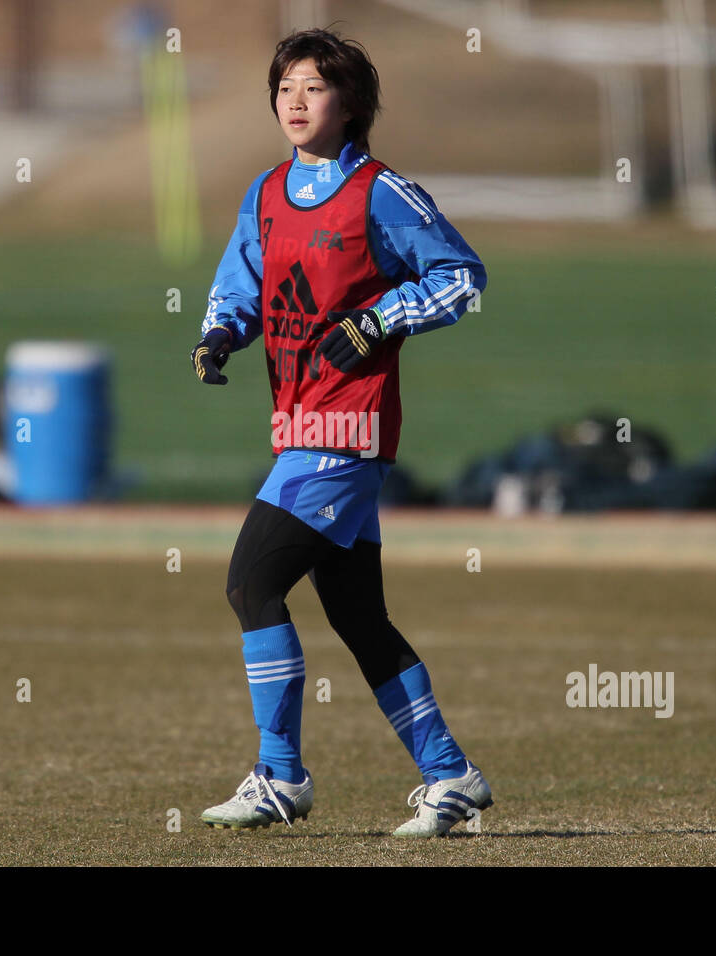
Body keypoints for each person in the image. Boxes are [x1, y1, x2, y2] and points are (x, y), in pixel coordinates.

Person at [189, 27, 490, 838]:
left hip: (348, 429)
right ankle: (450, 774)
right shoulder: (267, 192)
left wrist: (379, 317)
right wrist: (220, 333)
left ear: (351, 103)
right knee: (359, 619)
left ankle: (280, 775)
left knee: (251, 585)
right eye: (284, 85)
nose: (294, 99)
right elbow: (240, 284)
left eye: (313, 87)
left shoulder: (381, 193)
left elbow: (462, 275)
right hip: (296, 425)